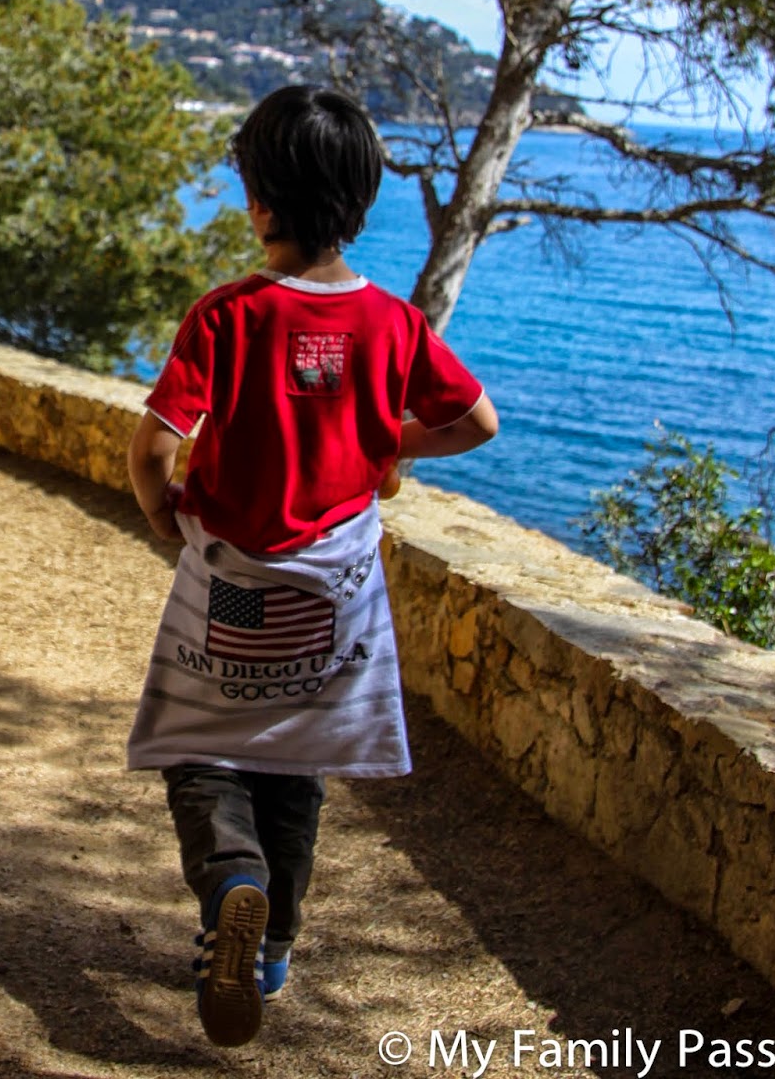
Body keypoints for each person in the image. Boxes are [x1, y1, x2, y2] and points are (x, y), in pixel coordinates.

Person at [125, 83, 498, 1047]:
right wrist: (386, 442)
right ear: (361, 203)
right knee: (296, 773)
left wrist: (166, 516)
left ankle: (231, 884)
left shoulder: (226, 317)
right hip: (333, 601)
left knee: (202, 752)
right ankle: (275, 943)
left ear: (259, 201)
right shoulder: (395, 324)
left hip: (234, 593)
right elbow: (475, 422)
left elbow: (155, 445)